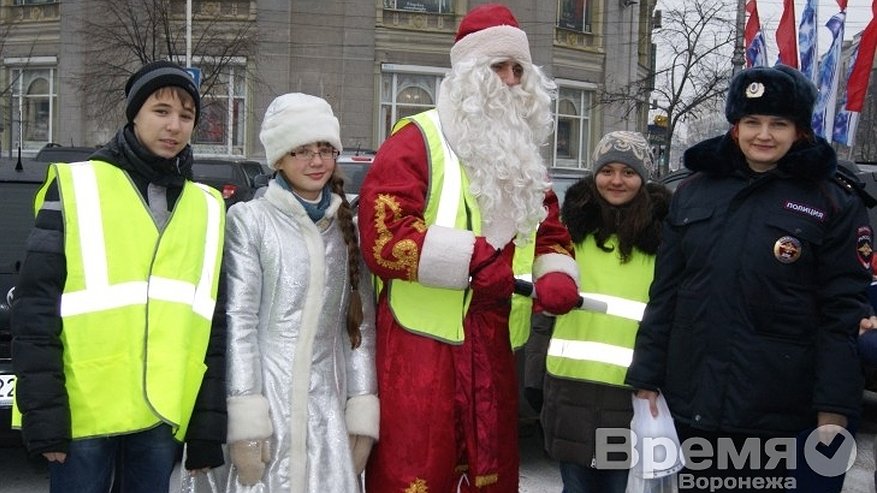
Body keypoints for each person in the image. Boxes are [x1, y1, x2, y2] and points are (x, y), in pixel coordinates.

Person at [358, 4, 582, 491]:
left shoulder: (523, 153)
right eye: (499, 67)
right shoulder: (418, 139)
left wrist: (555, 272)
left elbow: (548, 229)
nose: (511, 80)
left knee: (489, 471)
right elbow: (383, 234)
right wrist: (476, 262)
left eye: (518, 69)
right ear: (468, 73)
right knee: (419, 470)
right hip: (422, 345)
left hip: (493, 342)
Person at [625, 64, 872, 492]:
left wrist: (833, 407)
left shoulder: (832, 200)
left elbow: (841, 313)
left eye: (779, 124)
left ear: (799, 131)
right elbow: (665, 295)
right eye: (752, 122)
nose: (764, 135)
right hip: (694, 403)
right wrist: (645, 377)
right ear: (735, 127)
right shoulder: (693, 191)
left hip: (780, 410)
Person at [11, 60, 227, 492]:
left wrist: (206, 427)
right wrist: (44, 412)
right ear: (134, 115)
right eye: (161, 111)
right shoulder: (77, 185)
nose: (174, 126)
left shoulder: (207, 205)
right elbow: (35, 309)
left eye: (186, 116)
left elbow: (212, 324)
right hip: (84, 415)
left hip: (160, 415)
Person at [189, 93, 379, 492]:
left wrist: (361, 410)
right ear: (278, 158)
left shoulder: (348, 227)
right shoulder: (251, 221)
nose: (316, 161)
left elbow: (359, 330)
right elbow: (240, 322)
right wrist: (246, 417)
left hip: (328, 409)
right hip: (269, 406)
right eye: (301, 150)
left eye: (325, 149)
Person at [525, 131, 671, 493]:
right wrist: (533, 377)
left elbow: (670, 316)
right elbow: (544, 311)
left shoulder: (665, 241)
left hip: (632, 393)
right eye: (607, 171)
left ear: (643, 178)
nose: (616, 181)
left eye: (628, 172)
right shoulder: (568, 235)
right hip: (569, 387)